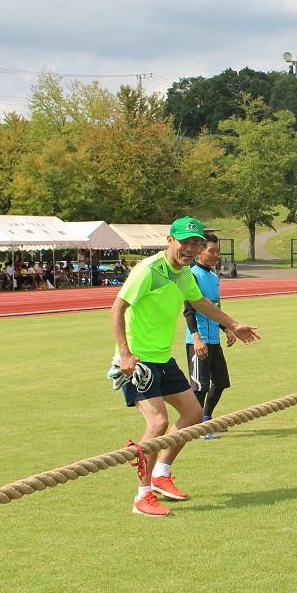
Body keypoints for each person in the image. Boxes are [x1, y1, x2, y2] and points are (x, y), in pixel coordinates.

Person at [112, 216, 260, 518]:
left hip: (163, 358)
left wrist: (233, 325)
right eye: (185, 242)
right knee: (157, 423)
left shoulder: (184, 274)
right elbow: (117, 307)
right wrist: (125, 354)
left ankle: (161, 473)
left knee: (193, 413)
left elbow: (201, 303)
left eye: (195, 243)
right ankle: (142, 496)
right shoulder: (148, 271)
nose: (190, 249)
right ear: (170, 240)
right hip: (138, 361)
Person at [183, 232, 236, 441]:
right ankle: (193, 427)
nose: (216, 255)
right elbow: (189, 310)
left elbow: (216, 308)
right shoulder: (192, 275)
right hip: (199, 340)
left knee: (221, 382)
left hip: (214, 339)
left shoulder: (214, 277)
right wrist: (196, 338)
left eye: (217, 251)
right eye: (211, 251)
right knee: (200, 386)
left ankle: (206, 418)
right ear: (199, 252)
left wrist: (227, 328)